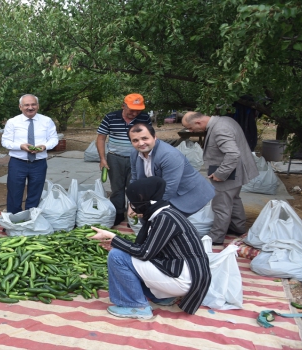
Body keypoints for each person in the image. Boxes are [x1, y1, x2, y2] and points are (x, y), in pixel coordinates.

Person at [88, 177, 211, 319]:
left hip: (184, 279)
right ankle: (162, 297)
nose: (132, 207)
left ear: (143, 201)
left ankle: (136, 306)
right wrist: (119, 244)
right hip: (184, 273)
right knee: (123, 254)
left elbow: (144, 253)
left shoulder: (164, 218)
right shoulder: (167, 212)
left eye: (133, 202)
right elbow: (150, 249)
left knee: (116, 256)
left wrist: (113, 237)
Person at [182, 112, 259, 245]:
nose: (190, 131)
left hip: (228, 172)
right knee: (234, 199)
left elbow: (233, 153)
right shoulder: (224, 120)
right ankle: (237, 228)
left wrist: (220, 173)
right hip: (236, 170)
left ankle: (216, 237)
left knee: (221, 206)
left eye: (190, 127)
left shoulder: (219, 129)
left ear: (198, 122)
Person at [127, 122, 215, 218]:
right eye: (135, 140)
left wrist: (147, 208)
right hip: (165, 194)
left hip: (191, 197)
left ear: (154, 137)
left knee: (176, 227)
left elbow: (169, 188)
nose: (141, 143)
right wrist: (133, 203)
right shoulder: (134, 153)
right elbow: (135, 180)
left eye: (145, 138)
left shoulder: (169, 155)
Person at [96, 94, 152, 226]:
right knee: (117, 188)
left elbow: (149, 137)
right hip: (115, 158)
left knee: (135, 188)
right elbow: (101, 138)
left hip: (138, 158)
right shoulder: (111, 117)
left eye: (138, 110)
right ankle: (118, 213)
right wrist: (103, 159)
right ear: (123, 106)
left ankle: (133, 216)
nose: (135, 113)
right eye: (131, 109)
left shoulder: (144, 118)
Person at [1, 94, 58, 214]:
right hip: (18, 163)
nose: (30, 107)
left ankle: (31, 219)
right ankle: (14, 220)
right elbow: (5, 141)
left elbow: (54, 139)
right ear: (20, 107)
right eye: (26, 105)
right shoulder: (13, 122)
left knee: (35, 193)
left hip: (39, 163)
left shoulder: (47, 121)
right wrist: (20, 146)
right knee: (14, 192)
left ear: (38, 106)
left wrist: (44, 147)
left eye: (33, 104)